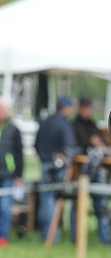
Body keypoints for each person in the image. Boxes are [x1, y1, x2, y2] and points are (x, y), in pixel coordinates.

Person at [35, 95, 77, 241]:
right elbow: (69, 148)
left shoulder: (45, 121)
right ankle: (52, 237)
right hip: (57, 168)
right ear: (66, 108)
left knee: (45, 199)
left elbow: (36, 144)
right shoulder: (64, 124)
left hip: (44, 164)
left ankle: (44, 234)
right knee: (53, 201)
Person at [71, 97, 111, 245]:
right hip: (80, 170)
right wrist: (91, 142)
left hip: (95, 170)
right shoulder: (74, 125)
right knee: (77, 204)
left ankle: (105, 237)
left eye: (89, 108)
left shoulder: (93, 124)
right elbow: (79, 143)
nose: (87, 111)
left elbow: (101, 141)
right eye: (85, 108)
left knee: (101, 204)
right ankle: (76, 236)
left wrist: (98, 142)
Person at [0, 99, 23, 246]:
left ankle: (3, 237)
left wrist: (18, 175)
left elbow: (19, 154)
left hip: (7, 174)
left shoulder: (13, 129)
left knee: (4, 207)